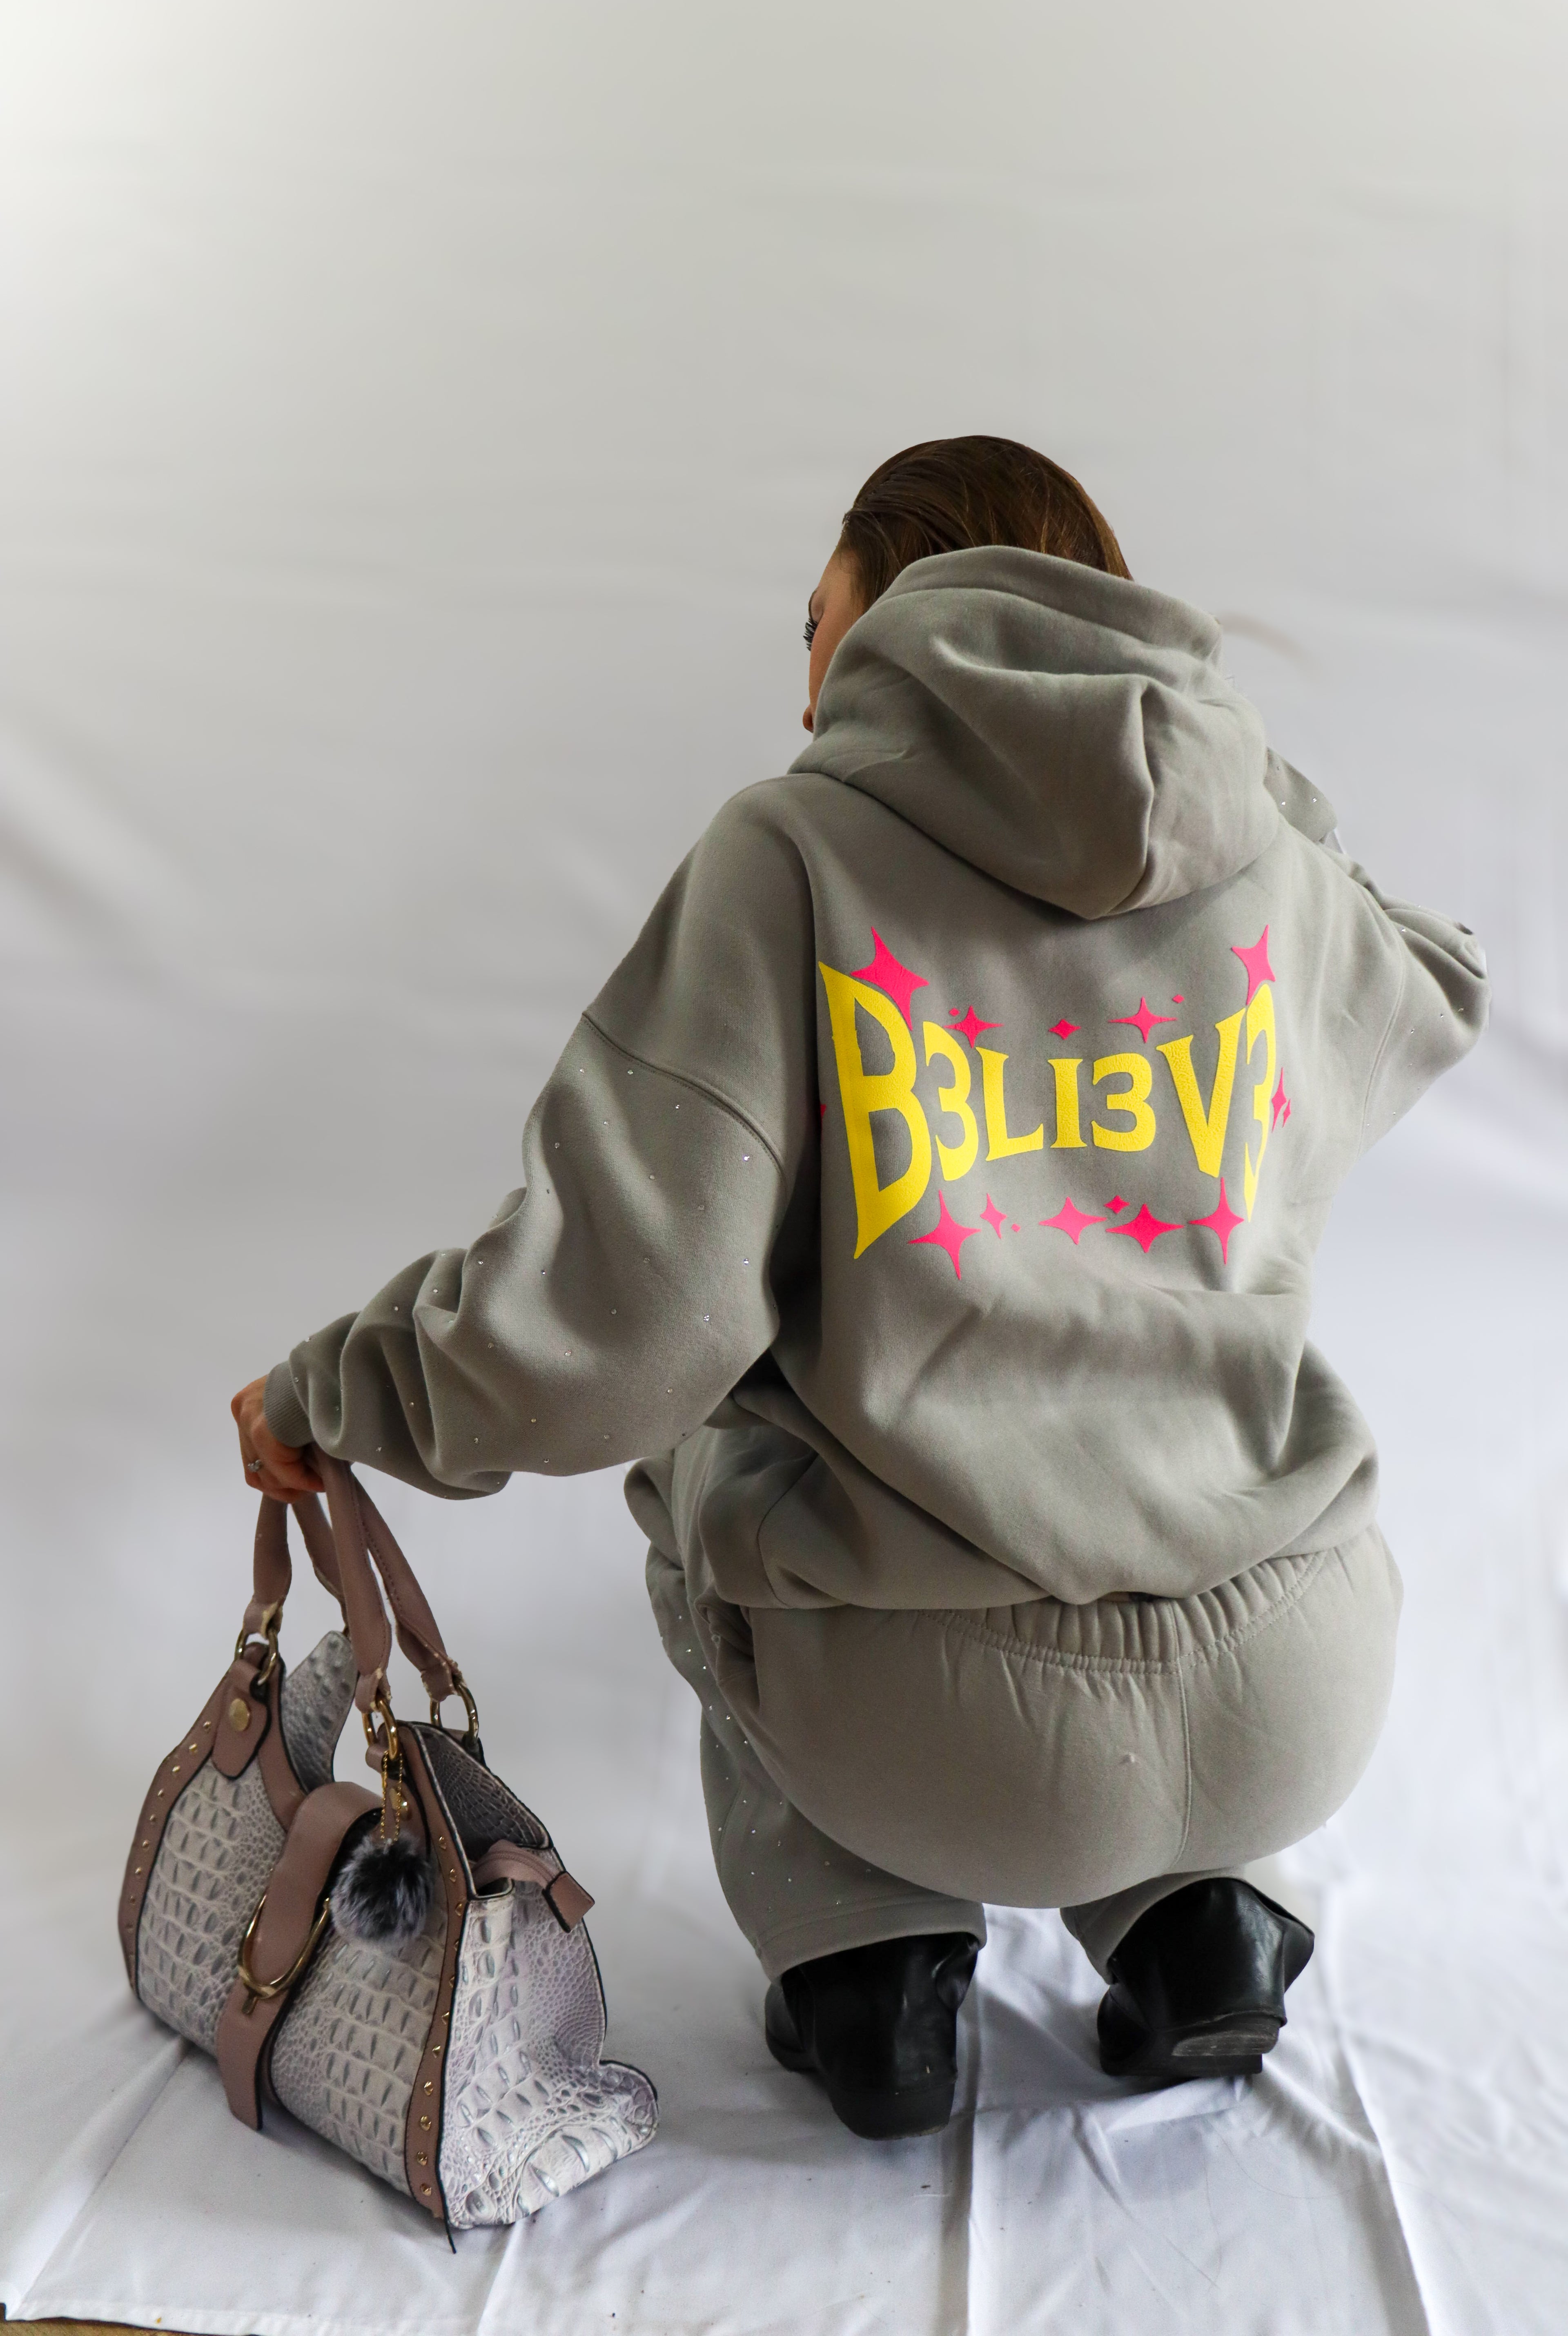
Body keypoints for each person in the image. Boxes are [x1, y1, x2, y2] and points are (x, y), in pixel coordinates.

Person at [233, 435, 1486, 2140]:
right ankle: (1209, 1928)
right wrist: (1239, 783)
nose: (806, 683)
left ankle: (868, 1965)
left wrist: (338, 1387)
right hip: (1303, 1677)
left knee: (693, 1447)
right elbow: (1432, 977)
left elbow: (621, 1325)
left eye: (818, 626)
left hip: (952, 1738)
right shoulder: (1255, 861)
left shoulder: (795, 855)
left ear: (904, 619)